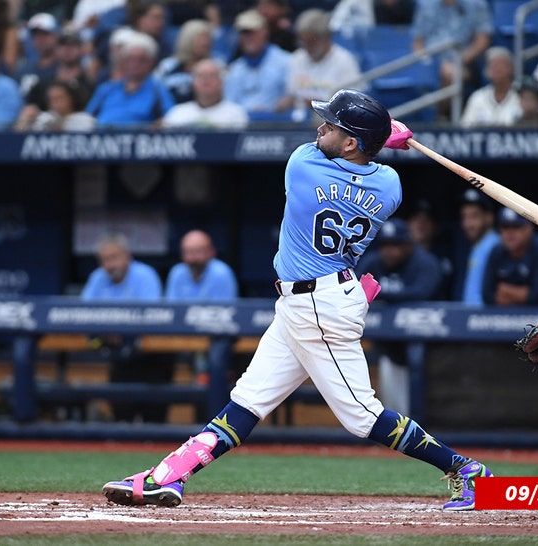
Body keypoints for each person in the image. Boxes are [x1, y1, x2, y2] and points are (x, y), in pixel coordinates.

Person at [101, 89, 493, 512]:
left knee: (362, 416)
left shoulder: (303, 166)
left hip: (320, 307)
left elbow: (323, 150)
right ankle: (169, 477)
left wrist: (381, 136)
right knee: (249, 398)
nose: (321, 127)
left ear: (350, 143)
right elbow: (365, 163)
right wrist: (378, 139)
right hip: (315, 300)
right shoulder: (391, 185)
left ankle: (465, 470)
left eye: (333, 125)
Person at [81, 232, 173, 423]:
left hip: (150, 356)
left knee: (153, 416)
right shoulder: (98, 277)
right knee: (122, 413)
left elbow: (152, 316)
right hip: (118, 355)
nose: (109, 265)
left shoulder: (144, 274)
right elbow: (84, 312)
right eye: (104, 260)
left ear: (126, 256)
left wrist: (119, 329)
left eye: (113, 258)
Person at [355, 217, 443, 415]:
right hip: (390, 347)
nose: (389, 251)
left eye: (396, 245)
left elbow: (421, 293)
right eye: (385, 245)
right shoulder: (374, 262)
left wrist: (380, 292)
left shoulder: (425, 262)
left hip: (430, 344)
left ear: (408, 244)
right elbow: (355, 290)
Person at [165, 229, 239, 387]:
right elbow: (172, 313)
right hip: (183, 337)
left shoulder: (222, 273)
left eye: (198, 252)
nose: (192, 258)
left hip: (216, 337)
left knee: (218, 356)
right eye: (188, 252)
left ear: (211, 252)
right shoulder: (177, 273)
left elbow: (224, 317)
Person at [410, 0, 493, 119]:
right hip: (431, 61)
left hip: (465, 61)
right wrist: (425, 61)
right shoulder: (425, 4)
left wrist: (460, 59)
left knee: (450, 73)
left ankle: (435, 117)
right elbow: (417, 42)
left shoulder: (477, 4)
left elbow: (482, 41)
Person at [276, 8, 360, 122]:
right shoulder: (297, 58)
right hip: (299, 121)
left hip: (333, 123)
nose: (306, 47)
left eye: (311, 42)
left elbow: (351, 104)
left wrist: (315, 104)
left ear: (325, 38)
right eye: (303, 42)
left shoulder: (345, 60)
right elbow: (291, 94)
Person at [85, 31, 175, 128]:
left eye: (141, 60)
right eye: (130, 59)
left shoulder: (158, 90)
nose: (135, 64)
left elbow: (170, 120)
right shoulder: (106, 89)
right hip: (102, 139)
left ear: (151, 62)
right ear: (123, 61)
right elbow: (87, 118)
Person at [482, 207, 538, 306]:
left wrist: (505, 290)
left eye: (516, 226)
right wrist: (523, 294)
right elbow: (487, 295)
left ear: (529, 228)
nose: (510, 233)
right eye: (505, 227)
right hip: (503, 319)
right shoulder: (497, 251)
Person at [14, 30, 93, 130]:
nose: (67, 50)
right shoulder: (43, 84)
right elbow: (29, 111)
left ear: (82, 49)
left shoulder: (89, 85)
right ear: (56, 49)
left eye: (73, 45)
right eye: (63, 45)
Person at [222, 8, 290, 118]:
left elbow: (292, 98)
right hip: (242, 124)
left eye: (252, 32)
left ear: (265, 31)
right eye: (244, 33)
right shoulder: (235, 69)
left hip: (276, 124)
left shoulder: (286, 61)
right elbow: (229, 104)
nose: (248, 37)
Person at [162, 58, 248, 129]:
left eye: (211, 76)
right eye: (200, 76)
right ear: (192, 83)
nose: (206, 80)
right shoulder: (177, 113)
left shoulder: (236, 114)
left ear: (221, 82)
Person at [452, 189, 499, 305]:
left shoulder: (497, 246)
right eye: (464, 217)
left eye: (474, 216)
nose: (468, 224)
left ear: (489, 217)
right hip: (470, 317)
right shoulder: (474, 246)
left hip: (489, 318)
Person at [154, 18, 214, 104]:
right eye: (201, 38)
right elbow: (155, 92)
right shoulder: (167, 66)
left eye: (208, 38)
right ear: (187, 40)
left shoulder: (216, 66)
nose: (205, 42)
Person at [460, 46, 521, 127]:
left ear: (511, 68)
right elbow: (465, 129)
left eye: (500, 65)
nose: (496, 69)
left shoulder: (522, 95)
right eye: (492, 65)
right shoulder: (477, 98)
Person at [13, 12, 60, 98]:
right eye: (36, 35)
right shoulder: (24, 68)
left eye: (45, 34)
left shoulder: (62, 68)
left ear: (56, 35)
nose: (41, 39)